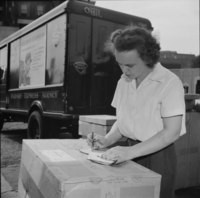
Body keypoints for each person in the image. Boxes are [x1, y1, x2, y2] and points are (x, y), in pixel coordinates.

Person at [87, 26, 186, 198]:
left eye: (130, 65)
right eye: (119, 64)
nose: (124, 70)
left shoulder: (169, 82)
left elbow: (171, 132)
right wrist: (107, 139)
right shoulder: (123, 81)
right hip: (128, 149)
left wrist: (130, 153)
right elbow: (123, 120)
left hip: (158, 155)